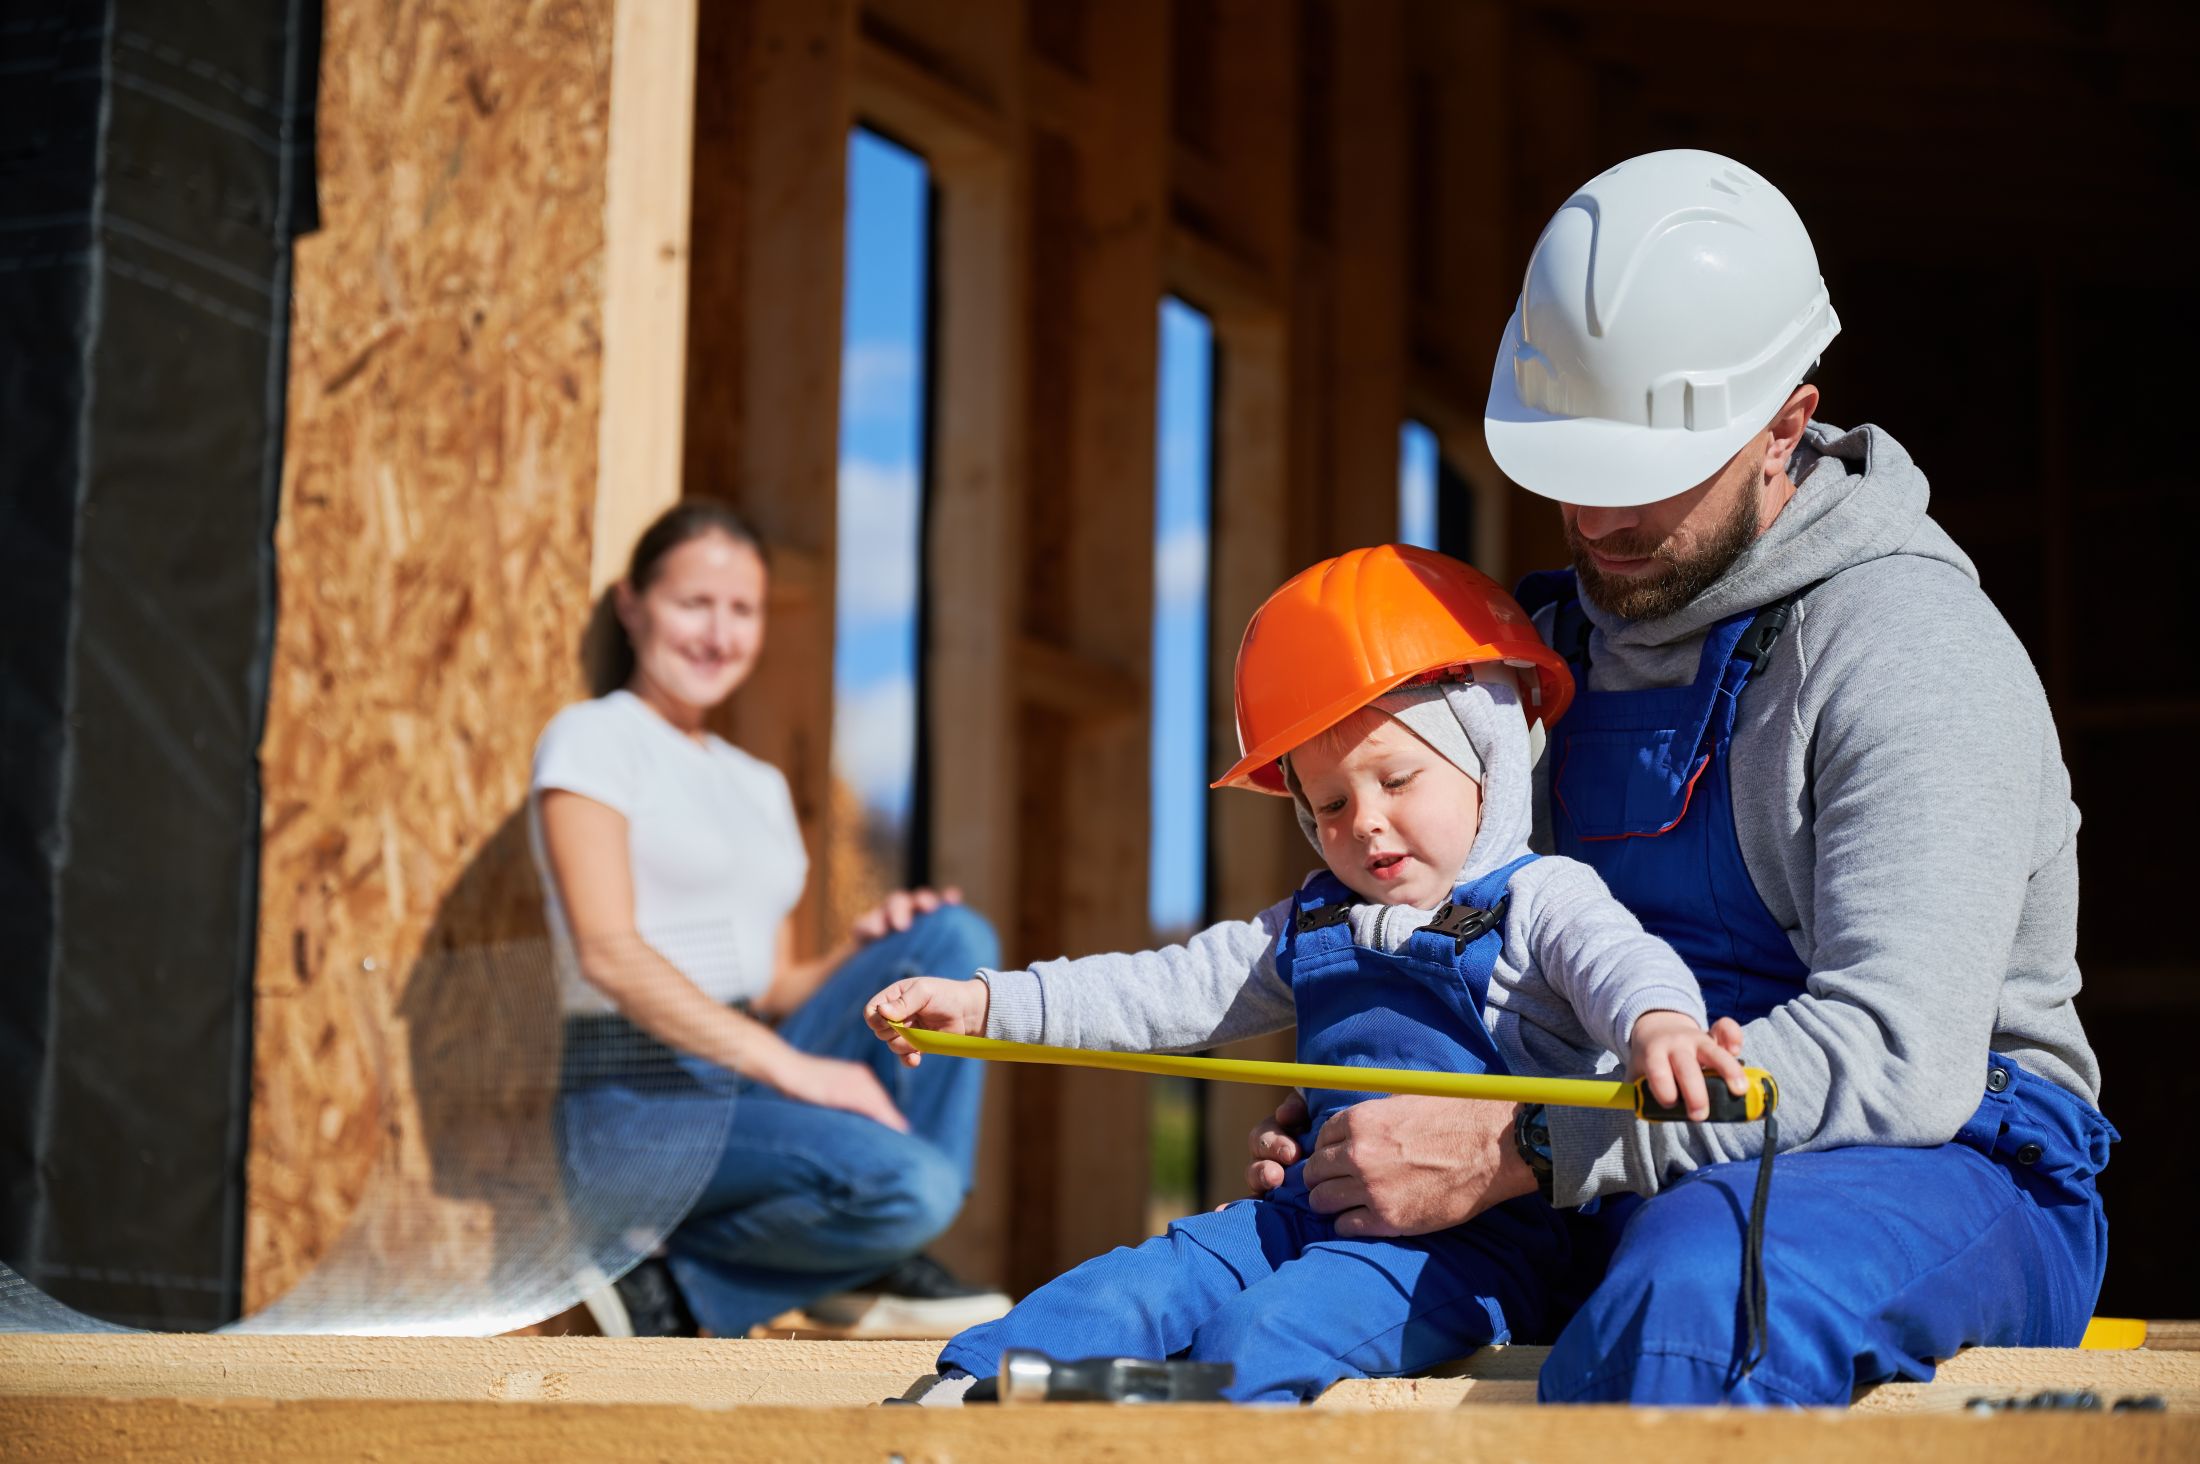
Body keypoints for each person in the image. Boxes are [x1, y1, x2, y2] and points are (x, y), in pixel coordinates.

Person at [1242, 150, 2114, 1405]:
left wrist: (1520, 1142)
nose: (1596, 524)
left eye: (1647, 477)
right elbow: (1434, 938)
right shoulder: (1521, 664)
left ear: (1785, 425)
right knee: (1257, 1298)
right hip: (1607, 1160)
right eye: (1570, 472)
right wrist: (1352, 1104)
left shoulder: (1911, 652)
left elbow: (1894, 1054)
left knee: (1700, 1301)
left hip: (1936, 1164)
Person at [867, 546, 1750, 1404]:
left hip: (1461, 1249)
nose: (1364, 823)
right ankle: (973, 1396)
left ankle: (1165, 1421)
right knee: (1134, 1282)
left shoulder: (1539, 900)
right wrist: (987, 1002)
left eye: (1397, 779)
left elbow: (1620, 963)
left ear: (1488, 758)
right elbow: (1160, 990)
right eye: (1328, 804)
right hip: (1301, 1213)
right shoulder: (1312, 918)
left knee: (1259, 1337)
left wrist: (1658, 1027)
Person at [530, 499, 1010, 1338]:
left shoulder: (756, 785)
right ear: (633, 605)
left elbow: (775, 985)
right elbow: (607, 952)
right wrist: (800, 1073)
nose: (719, 633)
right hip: (631, 1106)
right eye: (694, 604)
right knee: (916, 1188)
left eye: (741, 610)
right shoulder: (594, 739)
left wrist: (871, 950)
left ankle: (861, 1249)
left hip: (748, 1083)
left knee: (953, 943)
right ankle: (678, 1289)